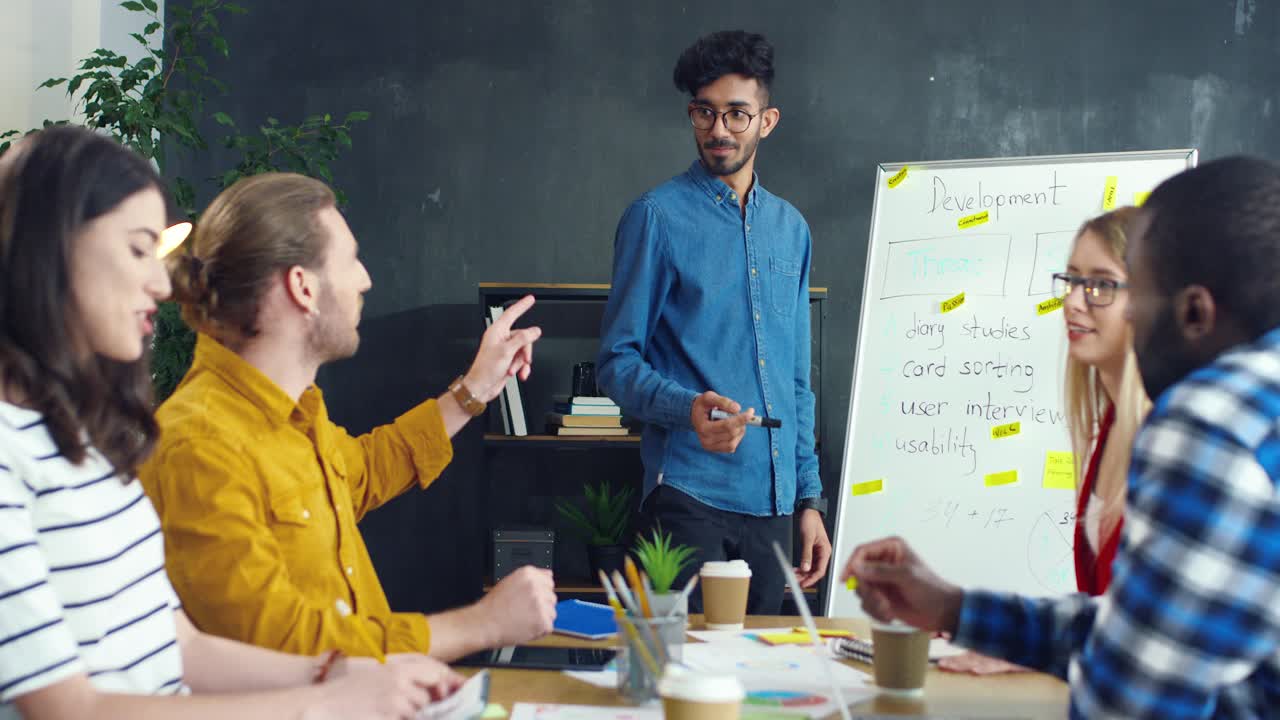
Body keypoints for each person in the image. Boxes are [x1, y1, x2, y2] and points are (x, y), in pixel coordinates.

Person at [0, 126, 462, 720]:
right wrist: (322, 703)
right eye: (139, 249)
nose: (161, 283)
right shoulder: (15, 456)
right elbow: (70, 710)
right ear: (51, 249)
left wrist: (339, 672)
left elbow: (180, 647)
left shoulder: (92, 442)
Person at [841, 156, 1280, 718]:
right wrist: (951, 607)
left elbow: (1129, 703)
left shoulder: (1210, 421)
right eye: (1073, 280)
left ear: (1194, 311)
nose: (1075, 302)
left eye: (1125, 291)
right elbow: (1141, 633)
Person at [137, 172, 557, 661]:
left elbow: (364, 470)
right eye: (351, 260)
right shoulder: (199, 444)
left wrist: (474, 389)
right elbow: (280, 643)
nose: (365, 279)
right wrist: (481, 624)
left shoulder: (296, 414)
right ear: (303, 287)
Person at [597, 30, 830, 615]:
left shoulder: (792, 231)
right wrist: (687, 409)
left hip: (774, 504)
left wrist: (809, 501)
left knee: (761, 692)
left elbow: (796, 382)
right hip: (688, 494)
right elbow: (616, 363)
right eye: (704, 112)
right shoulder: (655, 218)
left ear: (767, 121)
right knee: (687, 683)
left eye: (736, 114)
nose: (718, 130)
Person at [941, 207, 1152, 675]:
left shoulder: (1175, 439)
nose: (1075, 301)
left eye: (1100, 284)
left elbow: (1158, 642)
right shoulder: (1109, 430)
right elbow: (1109, 620)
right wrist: (1022, 651)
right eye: (1072, 280)